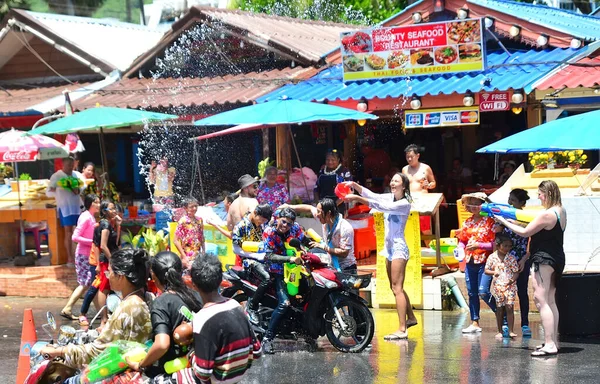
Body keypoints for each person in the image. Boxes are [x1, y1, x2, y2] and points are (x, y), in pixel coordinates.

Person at [41, 248, 152, 377]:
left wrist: (58, 351)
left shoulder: (128, 307)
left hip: (121, 373)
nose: (107, 276)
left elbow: (97, 351)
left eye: (109, 272)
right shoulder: (145, 297)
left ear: (120, 276)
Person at [495, 180, 566, 357]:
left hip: (544, 259)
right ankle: (553, 341)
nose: (538, 197)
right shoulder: (560, 211)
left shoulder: (547, 214)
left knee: (540, 299)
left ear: (548, 193)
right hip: (556, 257)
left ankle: (549, 344)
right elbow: (537, 228)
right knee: (550, 300)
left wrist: (503, 220)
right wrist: (514, 221)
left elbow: (526, 232)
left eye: (540, 194)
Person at [345, 174, 418, 340]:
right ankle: (411, 317)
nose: (392, 183)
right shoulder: (388, 197)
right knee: (395, 287)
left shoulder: (404, 203)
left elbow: (383, 207)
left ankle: (402, 329)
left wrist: (357, 198)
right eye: (391, 180)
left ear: (404, 186)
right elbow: (373, 196)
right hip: (389, 249)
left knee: (397, 288)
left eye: (396, 181)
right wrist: (354, 184)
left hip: (399, 248)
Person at [171, 254, 261, 384]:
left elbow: (203, 373)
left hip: (220, 379)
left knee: (168, 378)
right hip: (241, 374)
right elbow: (257, 351)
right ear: (220, 281)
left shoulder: (202, 319)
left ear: (193, 285)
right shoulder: (236, 306)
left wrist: (192, 358)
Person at [126, 251, 202, 378]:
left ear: (154, 276)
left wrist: (141, 365)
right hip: (197, 366)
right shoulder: (195, 294)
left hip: (173, 372)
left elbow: (162, 344)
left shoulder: (161, 303)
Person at [261, 207, 306, 353]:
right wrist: (290, 258)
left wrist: (314, 246)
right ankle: (267, 339)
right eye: (284, 222)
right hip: (277, 271)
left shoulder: (295, 228)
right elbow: (269, 256)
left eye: (289, 224)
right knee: (285, 303)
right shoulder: (269, 232)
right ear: (278, 218)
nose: (286, 226)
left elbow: (304, 239)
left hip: (295, 268)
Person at [455, 192, 497, 334]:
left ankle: (501, 314)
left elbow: (494, 244)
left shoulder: (490, 221)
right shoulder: (467, 222)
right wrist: (460, 248)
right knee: (472, 292)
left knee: (483, 291)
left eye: (476, 203)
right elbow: (463, 239)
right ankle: (475, 322)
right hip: (470, 260)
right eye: (471, 203)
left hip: (485, 260)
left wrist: (479, 245)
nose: (473, 206)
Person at [494, 188, 532, 336]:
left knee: (522, 291)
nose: (510, 202)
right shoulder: (503, 216)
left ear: (522, 203)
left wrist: (525, 259)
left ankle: (525, 324)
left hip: (522, 259)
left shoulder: (526, 218)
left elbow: (531, 240)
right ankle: (505, 323)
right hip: (505, 260)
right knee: (503, 291)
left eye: (514, 200)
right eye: (509, 199)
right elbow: (497, 237)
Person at [283, 198, 357, 274]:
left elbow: (344, 253)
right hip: (332, 266)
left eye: (319, 212)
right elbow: (310, 208)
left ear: (328, 213)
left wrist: (323, 247)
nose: (317, 214)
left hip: (347, 268)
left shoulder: (345, 228)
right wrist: (289, 206)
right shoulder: (324, 218)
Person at [78, 200, 122, 327]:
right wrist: (110, 261)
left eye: (115, 209)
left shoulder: (110, 224)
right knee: (102, 288)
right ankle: (102, 319)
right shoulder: (104, 225)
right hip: (105, 261)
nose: (114, 211)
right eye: (111, 209)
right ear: (104, 211)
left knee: (104, 287)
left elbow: (116, 243)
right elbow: (102, 245)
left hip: (108, 260)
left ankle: (104, 316)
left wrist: (119, 226)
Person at [60, 194, 99, 321]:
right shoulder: (86, 217)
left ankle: (101, 312)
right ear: (91, 204)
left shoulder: (90, 217)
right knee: (85, 283)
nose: (99, 205)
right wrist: (92, 241)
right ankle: (68, 308)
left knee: (92, 283)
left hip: (89, 255)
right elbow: (75, 237)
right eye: (97, 202)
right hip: (83, 255)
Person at [231, 204, 272, 323]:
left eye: (265, 221)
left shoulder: (259, 225)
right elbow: (235, 248)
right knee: (267, 278)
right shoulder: (241, 226)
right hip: (249, 261)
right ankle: (251, 307)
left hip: (263, 258)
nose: (262, 222)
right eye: (262, 219)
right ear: (255, 213)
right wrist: (254, 255)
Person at [47, 156, 86, 266]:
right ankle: (70, 258)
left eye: (72, 165)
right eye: (68, 165)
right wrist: (56, 188)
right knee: (68, 232)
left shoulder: (77, 175)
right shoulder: (56, 176)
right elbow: (48, 191)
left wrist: (75, 186)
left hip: (78, 207)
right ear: (62, 164)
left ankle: (81, 256)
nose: (70, 167)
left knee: (80, 231)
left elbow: (82, 188)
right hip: (65, 208)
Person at [485, 234, 519, 339]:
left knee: (509, 307)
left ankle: (511, 330)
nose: (507, 248)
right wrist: (493, 272)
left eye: (509, 246)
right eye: (505, 246)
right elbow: (486, 270)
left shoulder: (511, 258)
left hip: (510, 286)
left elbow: (516, 272)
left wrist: (512, 280)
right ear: (498, 245)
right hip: (498, 286)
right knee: (499, 308)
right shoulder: (492, 257)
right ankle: (499, 331)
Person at [402, 144, 436, 236]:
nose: (409, 159)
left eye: (411, 157)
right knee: (409, 228)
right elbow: (404, 186)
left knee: (425, 229)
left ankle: (429, 247)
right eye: (407, 157)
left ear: (418, 156)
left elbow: (433, 183)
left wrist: (428, 185)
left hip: (423, 200)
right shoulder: (404, 170)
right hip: (410, 201)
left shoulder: (426, 168)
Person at [314, 149, 352, 216]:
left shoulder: (344, 171)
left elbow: (346, 191)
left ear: (338, 160)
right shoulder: (322, 171)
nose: (330, 162)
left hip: (339, 206)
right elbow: (316, 189)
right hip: (323, 206)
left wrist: (333, 206)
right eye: (328, 160)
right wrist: (318, 205)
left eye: (333, 160)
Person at [174, 197, 205, 269]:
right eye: (191, 207)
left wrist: (203, 251)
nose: (194, 208)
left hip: (198, 254)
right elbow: (175, 241)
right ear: (186, 208)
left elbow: (202, 236)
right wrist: (184, 256)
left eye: (196, 206)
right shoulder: (183, 221)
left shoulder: (199, 220)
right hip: (187, 255)